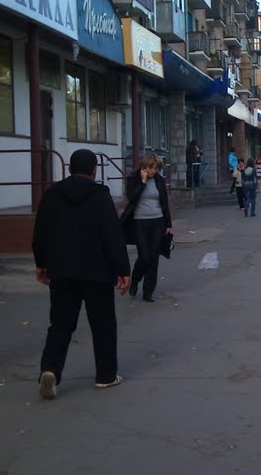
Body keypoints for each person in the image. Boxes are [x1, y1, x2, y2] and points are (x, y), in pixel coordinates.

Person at [33, 149, 131, 400]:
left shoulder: (52, 194)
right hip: (96, 272)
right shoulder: (100, 196)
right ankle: (106, 375)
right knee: (103, 324)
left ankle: (50, 370)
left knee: (60, 325)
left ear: (69, 169)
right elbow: (112, 235)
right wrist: (122, 269)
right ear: (94, 170)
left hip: (62, 271)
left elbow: (41, 232)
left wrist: (42, 264)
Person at [123, 154, 173, 303]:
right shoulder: (133, 178)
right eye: (151, 168)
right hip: (140, 221)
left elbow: (164, 203)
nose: (153, 171)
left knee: (154, 256)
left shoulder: (159, 180)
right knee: (145, 256)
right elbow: (132, 197)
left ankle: (148, 291)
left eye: (156, 168)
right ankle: (135, 279)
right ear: (145, 166)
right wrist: (143, 182)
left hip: (157, 221)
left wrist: (168, 224)